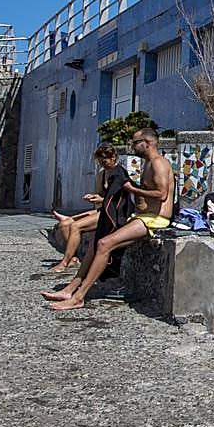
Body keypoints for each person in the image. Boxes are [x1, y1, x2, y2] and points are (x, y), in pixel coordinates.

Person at [43, 128, 174, 311]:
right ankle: (70, 289)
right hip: (142, 217)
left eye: (136, 142)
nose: (133, 146)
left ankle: (79, 297)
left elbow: (161, 194)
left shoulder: (159, 163)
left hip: (155, 219)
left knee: (105, 244)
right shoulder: (148, 163)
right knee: (96, 242)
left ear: (148, 142)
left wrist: (132, 189)